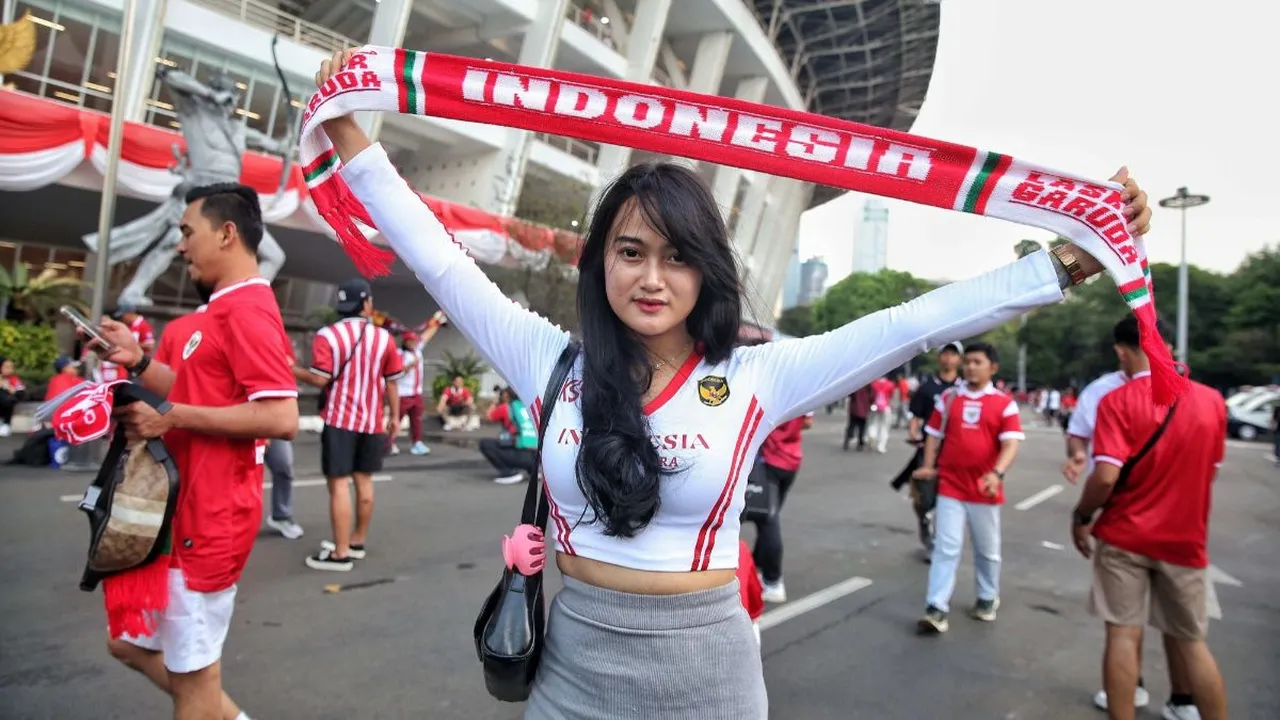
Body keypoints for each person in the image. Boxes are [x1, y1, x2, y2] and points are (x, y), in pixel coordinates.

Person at [313, 46, 1153, 718]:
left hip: (707, 678)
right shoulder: (548, 359)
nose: (652, 278)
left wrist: (1066, 262)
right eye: (631, 252)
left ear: (707, 271)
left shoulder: (756, 374)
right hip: (569, 670)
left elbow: (911, 325)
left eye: (678, 257)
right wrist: (348, 126)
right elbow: (439, 261)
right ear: (602, 262)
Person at [90, 182, 298, 720]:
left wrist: (173, 417)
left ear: (227, 233)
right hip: (177, 512)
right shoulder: (216, 312)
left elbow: (281, 417)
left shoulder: (248, 309)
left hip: (208, 521)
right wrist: (138, 362)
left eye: (187, 232)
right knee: (130, 646)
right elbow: (190, 391)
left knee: (194, 681)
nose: (180, 245)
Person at [1067, 318, 1211, 720]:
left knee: (1123, 631)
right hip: (1185, 535)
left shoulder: (1117, 400)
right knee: (1191, 639)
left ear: (1121, 350)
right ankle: (1167, 696)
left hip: (1125, 530)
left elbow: (1106, 476)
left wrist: (1082, 514)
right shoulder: (1208, 400)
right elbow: (1209, 469)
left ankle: (1173, 698)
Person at [294, 278, 403, 572]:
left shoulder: (328, 335)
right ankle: (356, 542)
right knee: (364, 482)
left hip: (339, 421)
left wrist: (292, 369)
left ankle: (339, 554)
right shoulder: (384, 339)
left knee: (339, 485)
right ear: (366, 303)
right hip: (372, 422)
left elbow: (320, 378)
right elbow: (392, 383)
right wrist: (394, 417)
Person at [914, 342, 1024, 632]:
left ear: (993, 368)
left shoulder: (1004, 403)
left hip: (984, 489)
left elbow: (1011, 443)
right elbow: (933, 434)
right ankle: (936, 607)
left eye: (978, 362)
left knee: (987, 550)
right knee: (946, 548)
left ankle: (987, 597)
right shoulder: (949, 398)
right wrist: (929, 465)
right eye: (968, 362)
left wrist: (997, 473)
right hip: (950, 485)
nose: (971, 367)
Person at [891, 341, 964, 554]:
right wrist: (913, 433)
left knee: (948, 497)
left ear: (959, 359)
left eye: (953, 354)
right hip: (929, 448)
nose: (948, 358)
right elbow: (916, 415)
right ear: (939, 358)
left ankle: (940, 541)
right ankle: (925, 522)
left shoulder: (964, 388)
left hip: (954, 450)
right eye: (945, 354)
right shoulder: (927, 388)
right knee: (924, 497)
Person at [750, 410, 814, 603]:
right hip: (791, 460)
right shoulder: (802, 394)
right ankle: (757, 568)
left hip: (769, 460)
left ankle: (773, 579)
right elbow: (808, 422)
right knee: (769, 515)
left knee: (768, 521)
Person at [388, 313, 443, 456]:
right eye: (411, 341)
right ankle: (389, 443)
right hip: (403, 393)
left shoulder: (418, 350)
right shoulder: (400, 354)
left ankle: (416, 442)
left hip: (416, 393)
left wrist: (438, 321)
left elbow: (427, 334)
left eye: (414, 341)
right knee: (397, 419)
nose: (413, 343)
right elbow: (396, 372)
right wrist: (410, 366)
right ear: (405, 342)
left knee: (417, 420)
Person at [479, 386, 539, 484]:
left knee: (485, 444)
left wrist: (494, 402)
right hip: (539, 457)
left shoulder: (506, 407)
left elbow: (487, 418)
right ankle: (533, 471)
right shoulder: (530, 406)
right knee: (519, 439)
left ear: (506, 395)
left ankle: (509, 473)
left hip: (522, 456)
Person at [867, 374, 896, 453]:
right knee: (884, 427)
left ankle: (872, 435)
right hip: (886, 407)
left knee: (873, 423)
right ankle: (881, 446)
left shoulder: (873, 383)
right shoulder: (891, 384)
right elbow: (891, 396)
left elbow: (871, 395)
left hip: (874, 406)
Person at [0, 356, 24, 437]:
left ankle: (6, 424)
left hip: (7, 403)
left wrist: (9, 388)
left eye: (11, 367)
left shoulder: (13, 379)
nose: (10, 370)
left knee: (9, 399)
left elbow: (21, 392)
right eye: (6, 367)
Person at [844, 385, 871, 451]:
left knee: (851, 425)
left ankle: (847, 439)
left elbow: (850, 394)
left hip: (854, 408)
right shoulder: (868, 385)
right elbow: (872, 396)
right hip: (864, 408)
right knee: (862, 427)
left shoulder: (856, 384)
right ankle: (860, 443)